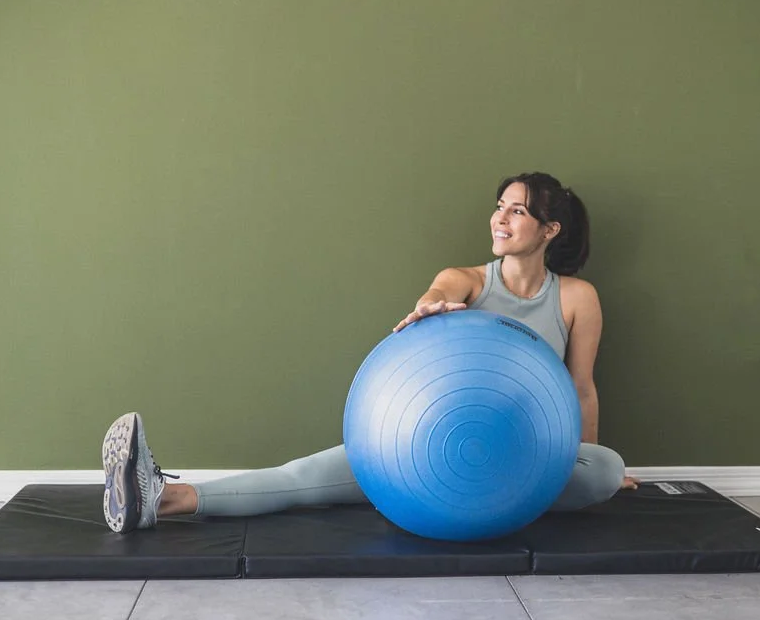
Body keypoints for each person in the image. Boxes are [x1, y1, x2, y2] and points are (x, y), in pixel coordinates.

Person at [101, 172, 635, 534]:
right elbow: (437, 292)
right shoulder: (467, 280)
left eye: (517, 211)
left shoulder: (576, 298)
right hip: (424, 446)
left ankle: (502, 495)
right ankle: (156, 500)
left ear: (550, 230)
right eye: (499, 207)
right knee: (301, 479)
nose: (500, 218)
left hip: (533, 452)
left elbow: (581, 387)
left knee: (605, 471)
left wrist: (585, 459)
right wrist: (430, 306)